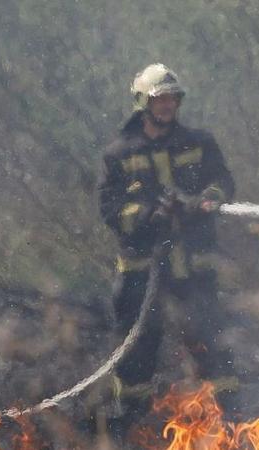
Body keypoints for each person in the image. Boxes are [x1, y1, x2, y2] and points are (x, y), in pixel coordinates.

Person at [98, 63, 237, 436]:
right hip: (142, 271)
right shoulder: (119, 153)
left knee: (211, 337)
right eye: (160, 99)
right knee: (137, 346)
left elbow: (223, 180)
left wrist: (209, 197)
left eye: (173, 99)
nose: (167, 106)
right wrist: (149, 216)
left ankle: (235, 420)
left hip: (193, 266)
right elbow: (110, 210)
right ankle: (129, 422)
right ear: (144, 101)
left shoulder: (198, 142)